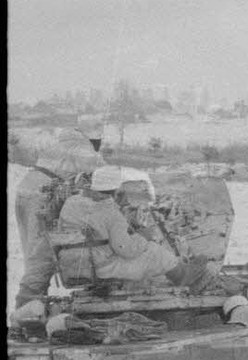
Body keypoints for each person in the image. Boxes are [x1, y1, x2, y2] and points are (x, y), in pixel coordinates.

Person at [55, 165, 216, 289]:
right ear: (116, 188)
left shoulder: (71, 203)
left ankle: (178, 272)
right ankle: (182, 276)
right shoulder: (110, 212)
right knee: (154, 251)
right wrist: (143, 237)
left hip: (74, 264)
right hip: (102, 268)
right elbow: (127, 250)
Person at [13, 127, 106, 309]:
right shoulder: (83, 148)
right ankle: (28, 304)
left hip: (27, 189)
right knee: (43, 250)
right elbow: (104, 174)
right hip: (43, 194)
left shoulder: (61, 143)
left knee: (32, 248)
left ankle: (31, 302)